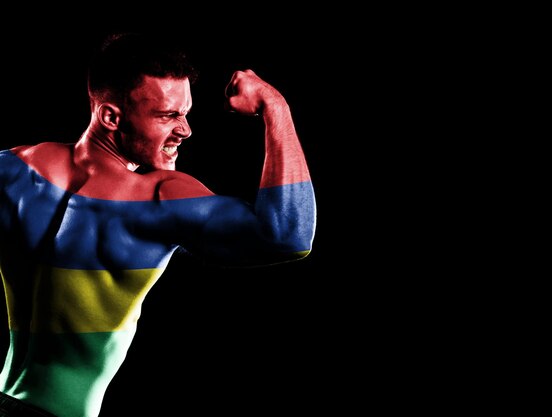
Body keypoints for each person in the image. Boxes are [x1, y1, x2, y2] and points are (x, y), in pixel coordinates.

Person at [0, 32, 316, 417]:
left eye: (185, 114)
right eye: (168, 116)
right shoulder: (156, 199)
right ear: (111, 117)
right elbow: (288, 235)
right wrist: (275, 107)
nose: (185, 130)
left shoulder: (15, 169)